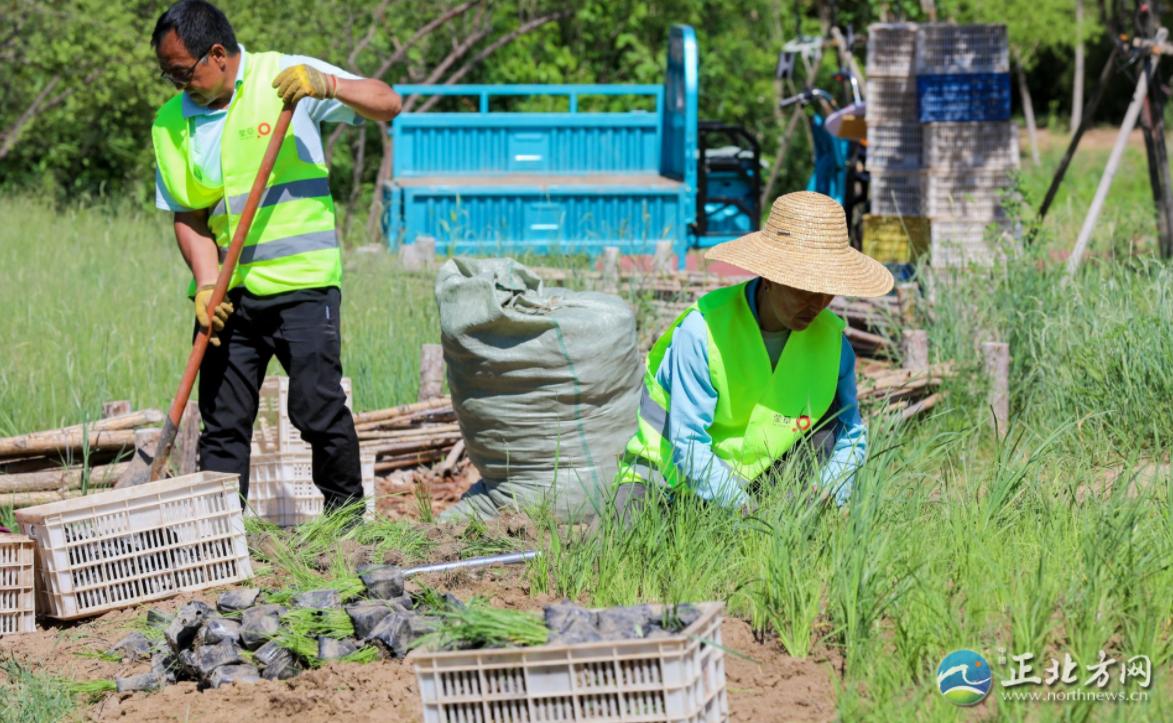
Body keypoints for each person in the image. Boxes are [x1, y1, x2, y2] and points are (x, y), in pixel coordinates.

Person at [149, 0, 401, 509]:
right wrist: (204, 283)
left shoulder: (285, 78)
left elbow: (386, 101)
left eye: (183, 73)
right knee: (222, 424)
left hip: (302, 284)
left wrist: (329, 84)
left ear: (217, 54)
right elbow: (188, 215)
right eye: (169, 77)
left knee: (318, 409)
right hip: (228, 296)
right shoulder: (170, 123)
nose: (179, 86)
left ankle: (345, 526)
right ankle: (221, 538)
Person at [615, 191, 894, 515]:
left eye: (826, 290)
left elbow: (850, 432)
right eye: (804, 288)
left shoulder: (833, 343)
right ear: (770, 277)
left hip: (759, 482)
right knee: (626, 540)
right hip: (665, 476)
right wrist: (741, 508)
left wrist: (832, 489)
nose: (816, 304)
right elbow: (687, 442)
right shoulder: (704, 330)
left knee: (824, 436)